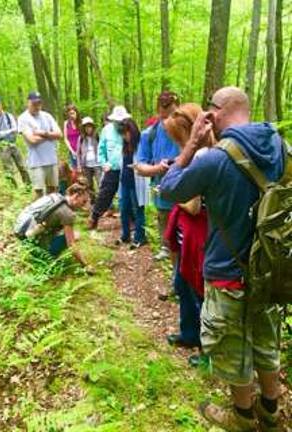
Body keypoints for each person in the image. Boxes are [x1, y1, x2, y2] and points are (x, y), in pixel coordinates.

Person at [160, 87, 283, 432]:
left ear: (216, 111)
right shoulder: (280, 147)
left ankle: (242, 417)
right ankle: (271, 411)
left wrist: (193, 141)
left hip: (228, 273)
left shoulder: (216, 158)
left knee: (232, 350)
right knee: (266, 342)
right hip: (271, 270)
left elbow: (169, 188)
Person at [163, 104, 210, 349]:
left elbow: (192, 205)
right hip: (186, 236)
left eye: (178, 137)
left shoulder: (202, 157)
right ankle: (189, 333)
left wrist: (174, 195)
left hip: (198, 236)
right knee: (183, 284)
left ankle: (205, 345)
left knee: (198, 290)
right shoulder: (191, 156)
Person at [136, 91, 180, 260]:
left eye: (173, 116)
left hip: (190, 197)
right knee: (170, 244)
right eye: (164, 117)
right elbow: (140, 166)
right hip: (164, 195)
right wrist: (158, 168)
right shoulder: (149, 134)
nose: (169, 121)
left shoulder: (189, 129)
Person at [15, 179, 89, 267]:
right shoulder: (68, 214)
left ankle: (34, 251)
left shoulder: (55, 196)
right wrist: (86, 264)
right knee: (76, 235)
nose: (85, 206)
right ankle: (46, 257)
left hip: (22, 233)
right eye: (83, 202)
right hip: (32, 239)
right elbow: (71, 244)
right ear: (75, 196)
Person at [88, 105, 131, 229]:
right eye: (117, 121)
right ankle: (94, 217)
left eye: (122, 120)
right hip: (111, 168)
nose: (119, 123)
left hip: (127, 168)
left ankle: (130, 220)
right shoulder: (106, 130)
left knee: (129, 195)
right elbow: (101, 150)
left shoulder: (129, 129)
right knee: (105, 194)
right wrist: (103, 163)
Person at [18, 91, 62, 199]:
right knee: (39, 192)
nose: (37, 106)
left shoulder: (47, 116)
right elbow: (32, 139)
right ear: (28, 103)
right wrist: (50, 136)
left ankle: (53, 213)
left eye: (39, 103)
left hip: (51, 159)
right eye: (34, 103)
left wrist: (42, 133)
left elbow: (59, 134)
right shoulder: (23, 118)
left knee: (53, 190)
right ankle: (40, 214)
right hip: (36, 161)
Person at [116, 119, 149, 248]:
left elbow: (147, 161)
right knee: (124, 209)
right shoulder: (124, 146)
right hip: (125, 181)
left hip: (137, 182)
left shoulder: (141, 144)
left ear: (132, 131)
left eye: (126, 133)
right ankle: (125, 235)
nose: (124, 136)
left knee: (138, 209)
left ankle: (140, 237)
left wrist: (139, 166)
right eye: (123, 134)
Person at [0, 96, 30, 187]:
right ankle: (13, 190)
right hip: (2, 146)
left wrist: (6, 133)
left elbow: (16, 129)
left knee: (22, 166)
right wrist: (10, 131)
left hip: (13, 143)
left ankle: (28, 186)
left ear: (0, 104)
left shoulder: (9, 115)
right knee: (8, 169)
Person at [77, 116, 102, 206]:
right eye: (86, 127)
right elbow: (78, 153)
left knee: (100, 183)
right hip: (86, 165)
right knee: (89, 184)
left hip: (97, 163)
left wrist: (103, 161)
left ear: (93, 127)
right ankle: (93, 201)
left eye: (90, 126)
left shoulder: (97, 136)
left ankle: (103, 202)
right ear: (84, 128)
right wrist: (79, 166)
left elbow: (102, 149)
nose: (88, 129)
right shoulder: (81, 138)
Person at [64, 104, 81, 180]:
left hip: (81, 150)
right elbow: (66, 138)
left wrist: (79, 149)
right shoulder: (66, 123)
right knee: (75, 171)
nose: (72, 115)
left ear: (76, 113)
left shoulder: (81, 123)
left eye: (73, 113)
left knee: (83, 171)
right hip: (72, 151)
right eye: (70, 114)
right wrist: (71, 150)